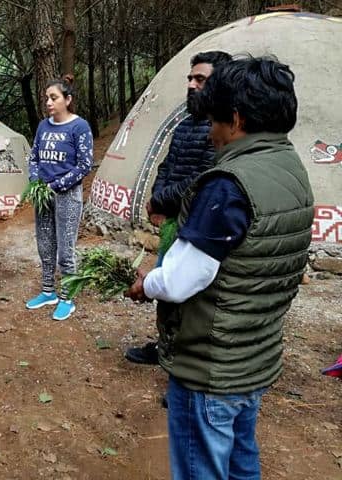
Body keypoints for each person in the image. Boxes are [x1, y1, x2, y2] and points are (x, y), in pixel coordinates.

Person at [125, 57, 314, 479]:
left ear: (237, 118)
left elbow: (181, 280)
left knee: (201, 468)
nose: (210, 133)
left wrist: (146, 283)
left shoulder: (228, 184)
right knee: (241, 461)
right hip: (254, 356)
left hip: (211, 366)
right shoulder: (290, 168)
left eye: (214, 121)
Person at [125, 51, 231, 365]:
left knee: (191, 295)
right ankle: (165, 348)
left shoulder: (221, 130)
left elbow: (202, 179)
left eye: (200, 79)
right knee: (168, 286)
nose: (191, 84)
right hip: (174, 218)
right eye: (190, 78)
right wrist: (157, 199)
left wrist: (161, 199)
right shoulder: (186, 124)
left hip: (198, 222)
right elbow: (167, 166)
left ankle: (184, 367)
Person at [24, 77, 94, 321]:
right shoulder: (44, 126)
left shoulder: (79, 127)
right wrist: (36, 181)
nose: (48, 102)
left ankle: (67, 297)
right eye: (46, 98)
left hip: (68, 196)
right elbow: (34, 157)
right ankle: (47, 292)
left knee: (66, 248)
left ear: (68, 100)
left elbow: (85, 165)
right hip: (43, 195)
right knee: (45, 245)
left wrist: (57, 185)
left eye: (54, 98)